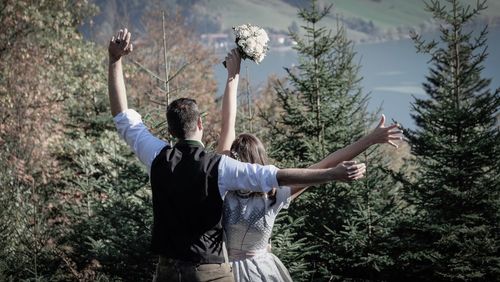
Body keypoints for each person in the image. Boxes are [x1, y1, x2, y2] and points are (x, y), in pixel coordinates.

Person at [107, 29, 367, 282]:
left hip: (166, 272)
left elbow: (122, 117)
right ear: (200, 124)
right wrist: (333, 174)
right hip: (208, 273)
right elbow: (277, 176)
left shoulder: (156, 156)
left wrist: (115, 61)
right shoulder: (220, 167)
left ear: (170, 131)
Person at [218, 49, 403, 281]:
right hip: (263, 271)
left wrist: (232, 76)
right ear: (261, 162)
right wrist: (371, 139)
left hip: (224, 272)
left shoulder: (223, 183)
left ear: (236, 162)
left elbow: (228, 125)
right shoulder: (275, 194)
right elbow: (326, 164)